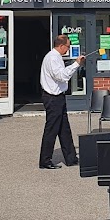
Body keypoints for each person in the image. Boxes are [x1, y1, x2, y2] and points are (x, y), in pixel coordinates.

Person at [38, 35, 84, 169]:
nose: (68, 49)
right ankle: (45, 160)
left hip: (58, 96)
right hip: (52, 97)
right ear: (61, 45)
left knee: (64, 129)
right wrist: (76, 64)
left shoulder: (57, 57)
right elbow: (61, 76)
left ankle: (71, 158)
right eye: (68, 47)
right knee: (51, 129)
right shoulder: (52, 57)